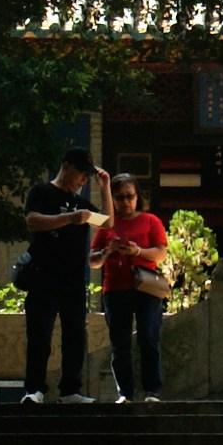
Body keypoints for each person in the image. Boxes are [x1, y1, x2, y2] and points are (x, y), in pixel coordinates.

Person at [15, 151, 100, 403]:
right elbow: (33, 222)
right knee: (40, 335)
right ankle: (34, 390)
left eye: (88, 175)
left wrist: (105, 187)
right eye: (82, 172)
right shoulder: (42, 192)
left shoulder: (82, 203)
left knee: (75, 337)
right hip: (43, 276)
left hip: (74, 279)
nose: (84, 179)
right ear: (66, 167)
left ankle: (71, 390)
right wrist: (70, 219)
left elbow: (106, 223)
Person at [95, 172, 172, 401]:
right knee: (120, 343)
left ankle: (152, 390)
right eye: (119, 197)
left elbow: (161, 253)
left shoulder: (151, 221)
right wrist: (107, 251)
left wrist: (137, 251)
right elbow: (93, 260)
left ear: (138, 197)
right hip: (116, 288)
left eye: (130, 196)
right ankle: (125, 393)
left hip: (145, 287)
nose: (126, 202)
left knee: (148, 337)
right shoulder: (107, 224)